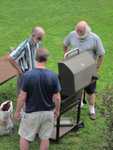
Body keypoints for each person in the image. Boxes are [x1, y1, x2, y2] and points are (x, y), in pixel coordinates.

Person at [14, 48, 61, 150]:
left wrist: (17, 112)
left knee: (25, 137)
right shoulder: (53, 76)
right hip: (48, 113)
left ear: (35, 58)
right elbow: (57, 97)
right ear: (46, 59)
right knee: (45, 138)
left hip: (31, 113)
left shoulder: (27, 76)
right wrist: (57, 111)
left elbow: (22, 97)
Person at [63, 20, 105, 120]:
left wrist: (97, 67)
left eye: (80, 31)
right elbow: (65, 45)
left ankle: (92, 110)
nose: (78, 33)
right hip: (75, 67)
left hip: (89, 68)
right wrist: (67, 57)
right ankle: (79, 104)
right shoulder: (72, 35)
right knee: (77, 86)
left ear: (86, 30)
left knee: (90, 90)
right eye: (77, 31)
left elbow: (101, 54)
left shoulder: (95, 39)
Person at [8, 26, 45, 94]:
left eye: (41, 38)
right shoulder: (25, 46)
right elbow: (11, 58)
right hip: (25, 77)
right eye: (39, 38)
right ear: (33, 35)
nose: (40, 41)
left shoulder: (38, 44)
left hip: (34, 76)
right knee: (22, 98)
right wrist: (21, 72)